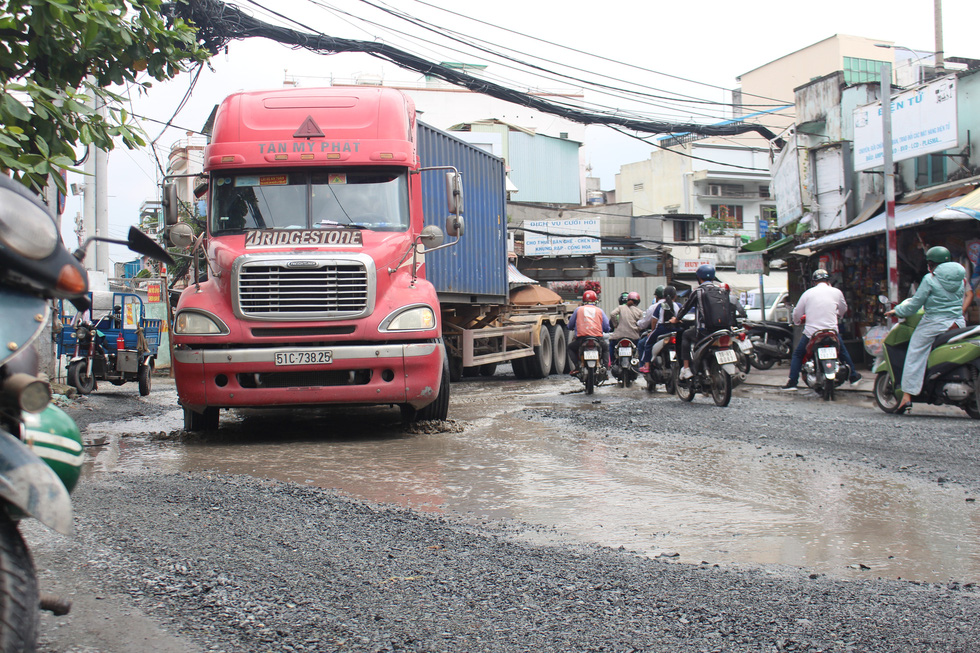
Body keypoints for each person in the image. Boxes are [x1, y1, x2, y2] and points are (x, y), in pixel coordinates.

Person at [883, 246, 967, 412]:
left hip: (935, 322)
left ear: (930, 264)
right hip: (958, 323)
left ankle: (906, 395)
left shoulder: (930, 279)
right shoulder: (960, 279)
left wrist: (897, 311)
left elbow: (915, 303)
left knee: (915, 352)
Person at [782, 269, 862, 390]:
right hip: (831, 332)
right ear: (828, 280)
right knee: (843, 352)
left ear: (814, 282)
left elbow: (797, 313)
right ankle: (854, 377)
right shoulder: (836, 292)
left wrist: (797, 322)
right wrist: (838, 314)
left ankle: (792, 382)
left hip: (812, 334)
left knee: (798, 354)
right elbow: (843, 309)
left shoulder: (808, 293)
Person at [669, 264, 728, 380]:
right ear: (713, 278)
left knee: (685, 335)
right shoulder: (721, 290)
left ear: (699, 278)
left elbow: (685, 308)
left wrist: (676, 319)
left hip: (704, 331)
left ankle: (686, 368)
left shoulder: (699, 291)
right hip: (723, 330)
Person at [638, 285, 681, 373]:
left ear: (663, 295)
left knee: (648, 343)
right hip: (675, 329)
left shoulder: (660, 306)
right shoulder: (678, 305)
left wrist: (653, 331)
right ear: (675, 296)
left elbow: (654, 320)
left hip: (662, 329)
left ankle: (646, 365)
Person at [567, 289, 611, 375]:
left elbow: (570, 325)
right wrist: (607, 330)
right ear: (595, 300)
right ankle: (605, 369)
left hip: (582, 339)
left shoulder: (578, 310)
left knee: (570, 348)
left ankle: (577, 366)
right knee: (605, 348)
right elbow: (606, 326)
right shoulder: (600, 311)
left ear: (583, 300)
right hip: (598, 339)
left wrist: (570, 327)